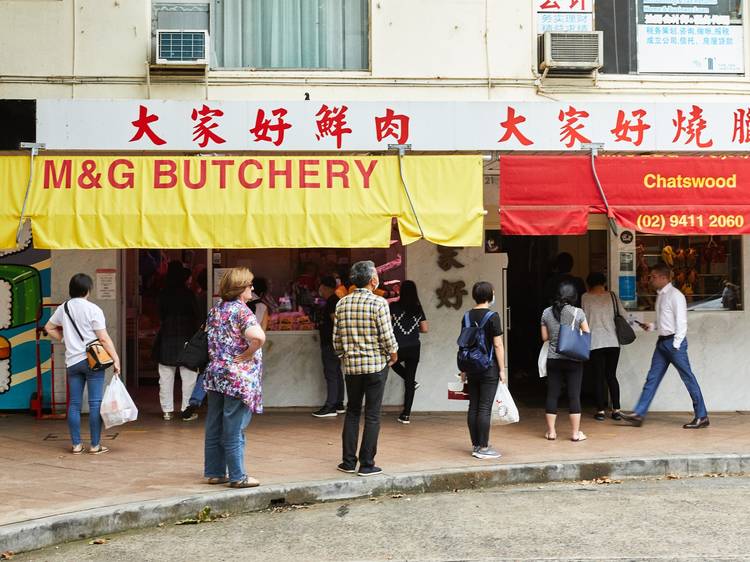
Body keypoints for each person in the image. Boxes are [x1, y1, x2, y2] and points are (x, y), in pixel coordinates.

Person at [620, 264, 709, 429]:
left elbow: (681, 322)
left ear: (664, 277)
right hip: (662, 342)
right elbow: (665, 320)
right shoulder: (661, 295)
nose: (650, 279)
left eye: (653, 277)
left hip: (674, 343)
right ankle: (639, 414)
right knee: (652, 379)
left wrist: (676, 345)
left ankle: (702, 416)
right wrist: (652, 326)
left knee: (688, 378)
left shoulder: (676, 296)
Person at [333, 260, 398, 477]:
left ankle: (348, 462)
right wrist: (394, 353)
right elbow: (387, 336)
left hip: (352, 369)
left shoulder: (342, 304)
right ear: (373, 280)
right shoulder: (379, 303)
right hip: (376, 366)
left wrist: (345, 357)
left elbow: (337, 341)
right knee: (372, 414)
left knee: (352, 412)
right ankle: (367, 464)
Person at [203, 267, 266, 488]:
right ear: (241, 289)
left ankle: (214, 472)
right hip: (237, 378)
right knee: (234, 426)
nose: (252, 288)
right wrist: (248, 353)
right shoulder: (242, 311)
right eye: (250, 285)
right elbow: (258, 336)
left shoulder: (216, 310)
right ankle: (238, 476)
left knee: (214, 424)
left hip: (215, 374)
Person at [45, 273, 121, 455]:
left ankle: (76, 445)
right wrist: (116, 358)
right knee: (95, 404)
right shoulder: (93, 309)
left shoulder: (64, 308)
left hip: (72, 362)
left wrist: (64, 339)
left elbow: (49, 328)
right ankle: (95, 445)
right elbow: (103, 338)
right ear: (88, 290)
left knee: (74, 405)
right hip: (93, 361)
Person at [461, 281, 506, 459]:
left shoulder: (466, 316)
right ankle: (483, 448)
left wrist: (463, 369)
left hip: (471, 366)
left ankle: (476, 444)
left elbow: (462, 344)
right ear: (490, 295)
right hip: (488, 367)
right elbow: (498, 344)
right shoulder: (493, 316)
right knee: (485, 407)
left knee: (474, 406)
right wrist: (502, 369)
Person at [541, 282, 591, 442]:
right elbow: (587, 332)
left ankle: (551, 432)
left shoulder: (546, 313)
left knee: (552, 394)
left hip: (553, 358)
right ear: (574, 297)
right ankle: (576, 434)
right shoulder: (578, 312)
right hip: (574, 359)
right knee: (574, 396)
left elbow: (544, 338)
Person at [156, 261, 200, 421]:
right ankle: (186, 410)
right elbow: (196, 316)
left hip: (166, 339)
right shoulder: (188, 294)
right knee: (188, 377)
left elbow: (160, 315)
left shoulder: (163, 294)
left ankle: (167, 411)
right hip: (186, 338)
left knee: (166, 376)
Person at [581, 272, 625, 421]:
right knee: (611, 376)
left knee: (598, 377)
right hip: (613, 342)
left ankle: (600, 411)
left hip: (595, 343)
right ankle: (616, 410)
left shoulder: (585, 297)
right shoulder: (612, 296)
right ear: (604, 282)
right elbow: (623, 315)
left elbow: (582, 319)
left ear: (589, 284)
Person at [389, 280, 428, 425]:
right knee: (410, 381)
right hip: (414, 347)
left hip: (397, 346)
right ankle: (406, 415)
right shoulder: (418, 308)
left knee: (392, 363)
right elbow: (424, 328)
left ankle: (410, 380)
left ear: (401, 291)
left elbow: (387, 324)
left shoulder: (393, 306)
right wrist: (412, 329)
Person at [312, 275, 345, 418]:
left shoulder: (332, 301)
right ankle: (339, 403)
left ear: (325, 287)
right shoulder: (336, 300)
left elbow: (336, 321)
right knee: (336, 372)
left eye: (321, 287)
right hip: (334, 342)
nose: (319, 290)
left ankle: (330, 406)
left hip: (331, 343)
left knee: (331, 373)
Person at [181, 268, 209, 421]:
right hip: (224, 350)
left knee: (206, 372)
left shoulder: (198, 296)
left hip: (205, 341)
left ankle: (194, 401)